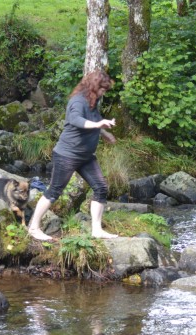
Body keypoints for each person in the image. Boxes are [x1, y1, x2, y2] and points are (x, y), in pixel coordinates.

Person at [28, 70, 118, 241]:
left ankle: (96, 230)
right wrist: (99, 123)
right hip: (67, 155)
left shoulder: (93, 102)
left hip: (86, 156)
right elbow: (76, 120)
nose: (103, 93)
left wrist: (105, 133)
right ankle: (33, 227)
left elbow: (95, 120)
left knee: (101, 187)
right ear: (94, 87)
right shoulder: (77, 101)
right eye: (102, 89)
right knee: (55, 190)